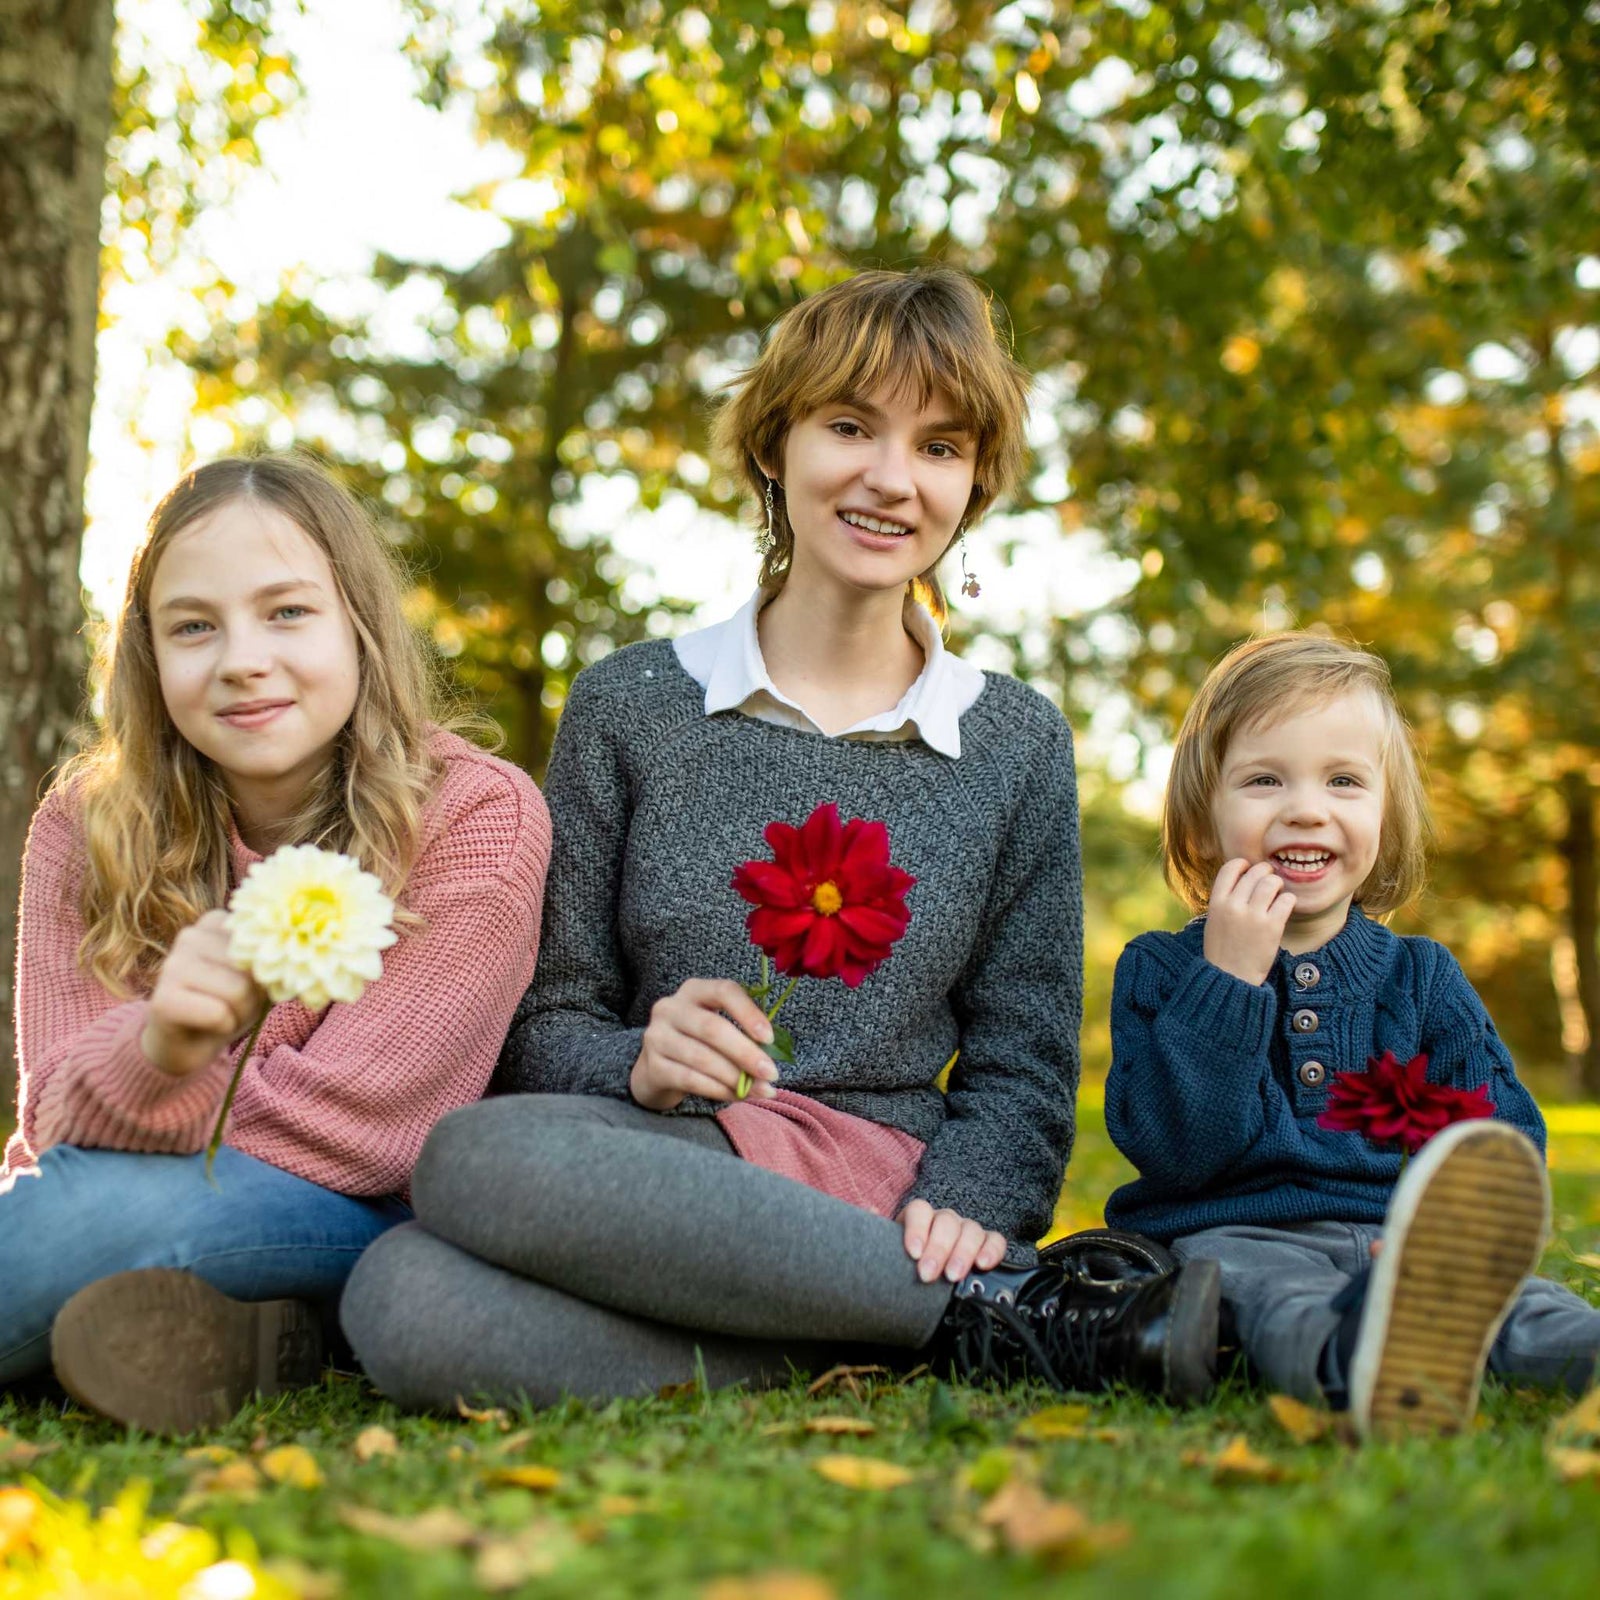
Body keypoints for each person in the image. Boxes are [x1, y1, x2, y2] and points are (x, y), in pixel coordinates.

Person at [341, 267, 1221, 1410]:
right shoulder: (629, 705)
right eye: (850, 426)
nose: (891, 478)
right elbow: (542, 1025)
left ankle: (964, 1292)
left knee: (464, 1167)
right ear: (775, 444)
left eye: (940, 446)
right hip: (661, 1170)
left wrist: (973, 1203)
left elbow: (1023, 1066)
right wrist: (639, 1058)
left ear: (973, 484)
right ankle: (980, 1324)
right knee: (399, 1296)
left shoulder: (1014, 743)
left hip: (881, 1192)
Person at [0, 454, 551, 1433]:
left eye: (287, 612)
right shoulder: (85, 825)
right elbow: (50, 1108)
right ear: (147, 653)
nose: (243, 659)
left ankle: (229, 1297)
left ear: (359, 624)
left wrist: (148, 1090)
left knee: (89, 1217)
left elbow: (368, 1126)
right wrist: (157, 1046)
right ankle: (257, 1335)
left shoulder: (476, 815)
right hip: (106, 1182)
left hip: (364, 1212)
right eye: (194, 626)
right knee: (78, 1208)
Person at [1103, 631, 1600, 1436]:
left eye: (1343, 780)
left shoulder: (1421, 977)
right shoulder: (1162, 971)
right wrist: (1227, 980)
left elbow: (1499, 1139)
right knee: (1266, 1297)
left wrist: (1434, 1238)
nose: (1307, 807)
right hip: (1229, 1233)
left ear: (1383, 813)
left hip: (1403, 1242)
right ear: (1203, 819)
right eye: (1264, 780)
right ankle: (1355, 1360)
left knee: (1532, 1307)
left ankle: (1545, 1348)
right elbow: (1176, 1149)